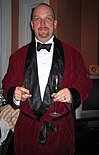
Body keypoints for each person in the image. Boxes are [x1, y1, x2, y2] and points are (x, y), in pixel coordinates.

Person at [2, 3, 92, 155]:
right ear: (32, 24)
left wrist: (73, 94)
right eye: (38, 19)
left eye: (48, 19)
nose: (42, 24)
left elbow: (85, 83)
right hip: (27, 131)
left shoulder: (74, 55)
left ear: (55, 24)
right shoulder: (17, 57)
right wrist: (13, 94)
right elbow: (7, 83)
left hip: (61, 131)